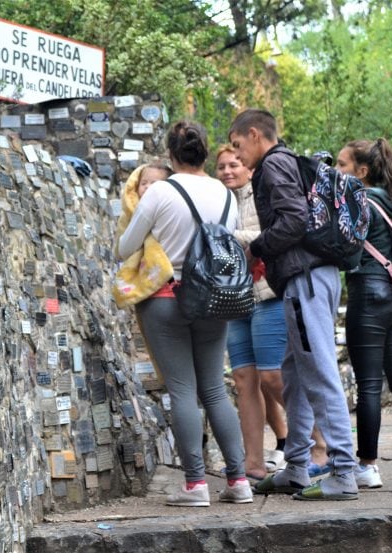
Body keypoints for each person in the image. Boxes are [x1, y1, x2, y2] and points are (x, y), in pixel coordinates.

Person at [118, 121, 252, 506]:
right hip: (214, 299)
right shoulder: (224, 192)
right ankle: (238, 480)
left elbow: (125, 247)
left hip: (167, 296)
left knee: (182, 389)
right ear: (206, 153)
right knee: (213, 388)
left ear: (171, 154)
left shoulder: (161, 190)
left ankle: (195, 484)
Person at [229, 108, 358, 501]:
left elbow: (294, 220)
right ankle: (297, 466)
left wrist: (257, 247)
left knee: (318, 371)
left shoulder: (272, 166)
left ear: (254, 135)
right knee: (295, 373)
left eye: (238, 146)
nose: (237, 155)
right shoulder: (285, 162)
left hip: (305, 281)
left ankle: (344, 471)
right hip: (310, 278)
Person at [336, 138, 392, 487]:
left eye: (343, 165)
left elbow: (346, 252)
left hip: (370, 298)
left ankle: (368, 466)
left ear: (362, 171)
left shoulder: (359, 202)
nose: (336, 172)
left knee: (370, 386)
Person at [215, 144, 287, 480]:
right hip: (235, 298)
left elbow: (273, 234)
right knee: (244, 381)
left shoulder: (261, 193)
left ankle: (321, 442)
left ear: (248, 168)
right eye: (222, 167)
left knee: (272, 377)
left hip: (268, 293)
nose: (228, 171)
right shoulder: (217, 201)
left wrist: (227, 237)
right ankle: (254, 462)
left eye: (234, 164)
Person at [112, 163, 175, 308]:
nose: (147, 187)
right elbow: (122, 235)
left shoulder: (164, 208)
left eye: (154, 183)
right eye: (143, 183)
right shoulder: (131, 210)